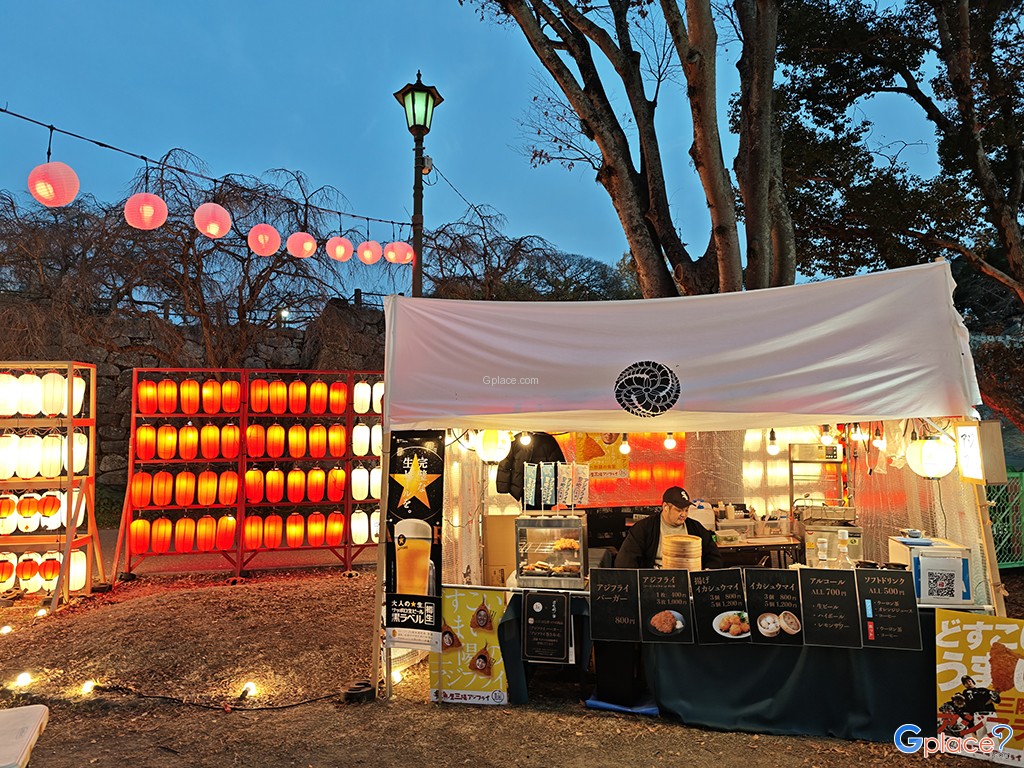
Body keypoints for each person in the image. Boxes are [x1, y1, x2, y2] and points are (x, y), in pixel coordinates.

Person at [615, 486, 723, 569]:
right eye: (679, 510)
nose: (684, 515)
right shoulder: (644, 528)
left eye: (686, 510)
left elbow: (713, 556)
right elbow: (625, 561)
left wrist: (707, 571)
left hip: (689, 579)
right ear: (665, 507)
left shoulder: (695, 528)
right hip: (657, 581)